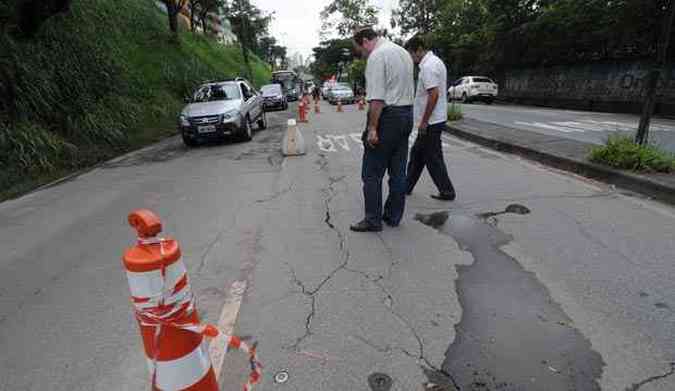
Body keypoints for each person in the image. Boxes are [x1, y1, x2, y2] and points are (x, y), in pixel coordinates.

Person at [350, 26, 415, 232]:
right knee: (398, 172)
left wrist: (372, 128)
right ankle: (393, 216)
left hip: (388, 118)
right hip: (406, 115)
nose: (362, 54)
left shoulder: (377, 56)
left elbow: (377, 100)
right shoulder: (402, 52)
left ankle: (372, 220)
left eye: (361, 50)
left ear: (366, 41)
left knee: (371, 173)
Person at [404, 35, 456, 201]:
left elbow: (433, 95)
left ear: (418, 50)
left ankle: (447, 191)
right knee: (417, 155)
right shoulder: (435, 62)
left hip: (431, 122)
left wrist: (424, 121)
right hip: (434, 119)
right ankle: (406, 186)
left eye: (411, 54)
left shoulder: (428, 67)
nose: (411, 59)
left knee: (432, 158)